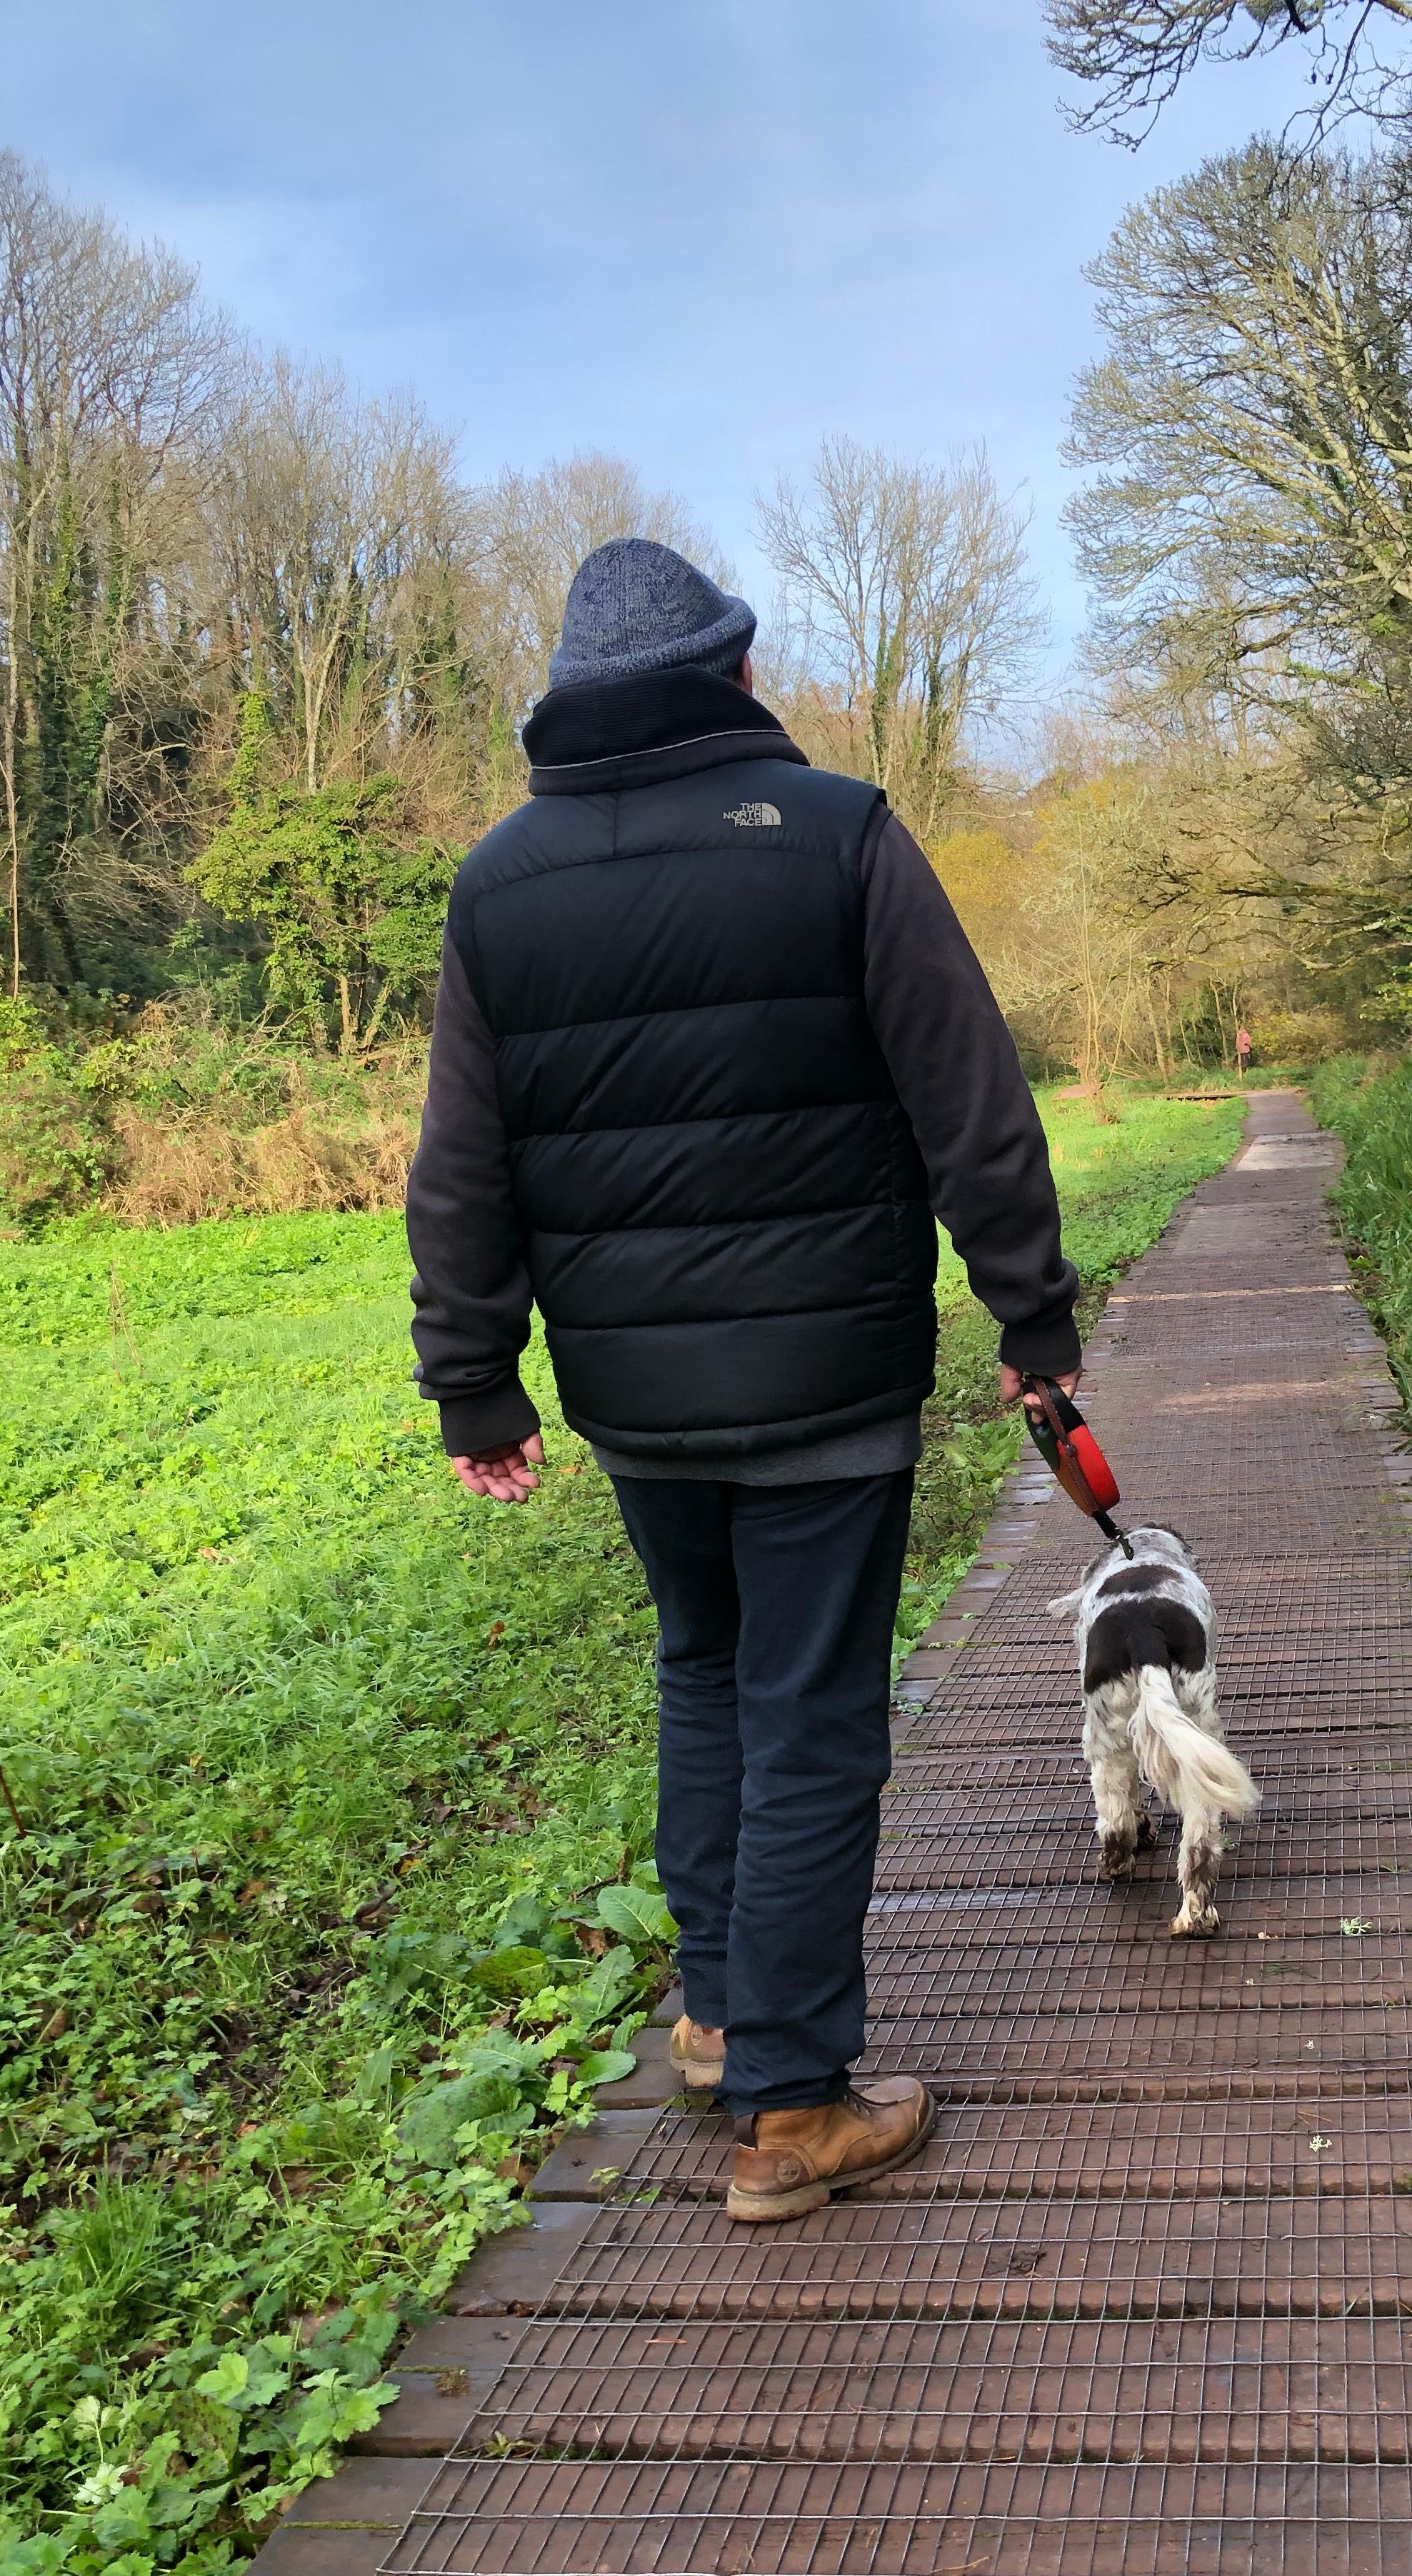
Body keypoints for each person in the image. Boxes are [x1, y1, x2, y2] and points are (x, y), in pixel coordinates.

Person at [405, 540, 1082, 2222]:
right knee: (811, 1717)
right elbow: (970, 1102)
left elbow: (460, 1163)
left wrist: (475, 1381)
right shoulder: (841, 833)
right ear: (731, 670)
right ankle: (792, 2103)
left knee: (702, 1673)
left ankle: (715, 2014)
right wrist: (1033, 1319)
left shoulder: (498, 884)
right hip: (830, 1377)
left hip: (638, 1399)